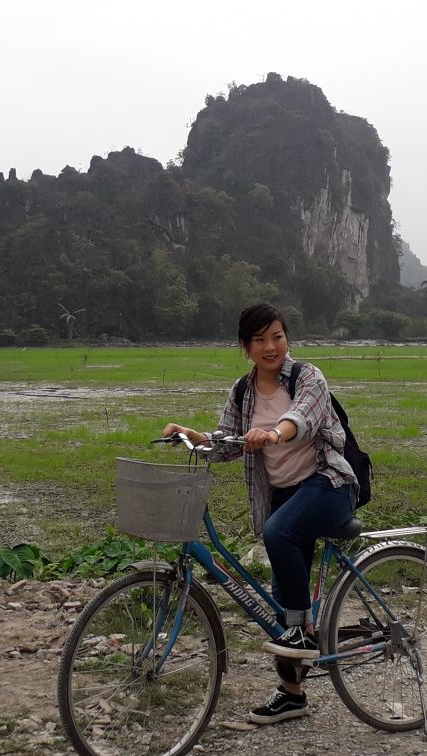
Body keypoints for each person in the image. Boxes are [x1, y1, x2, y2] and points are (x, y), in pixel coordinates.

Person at [160, 302, 358, 725]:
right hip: (287, 496)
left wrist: (272, 432)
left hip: (329, 485)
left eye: (278, 337)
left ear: (287, 339)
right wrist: (191, 436)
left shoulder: (308, 378)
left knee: (277, 534)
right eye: (260, 340)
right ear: (245, 346)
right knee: (285, 600)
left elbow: (300, 419)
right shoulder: (242, 392)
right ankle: (293, 694)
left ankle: (304, 634)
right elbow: (228, 443)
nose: (271, 347)